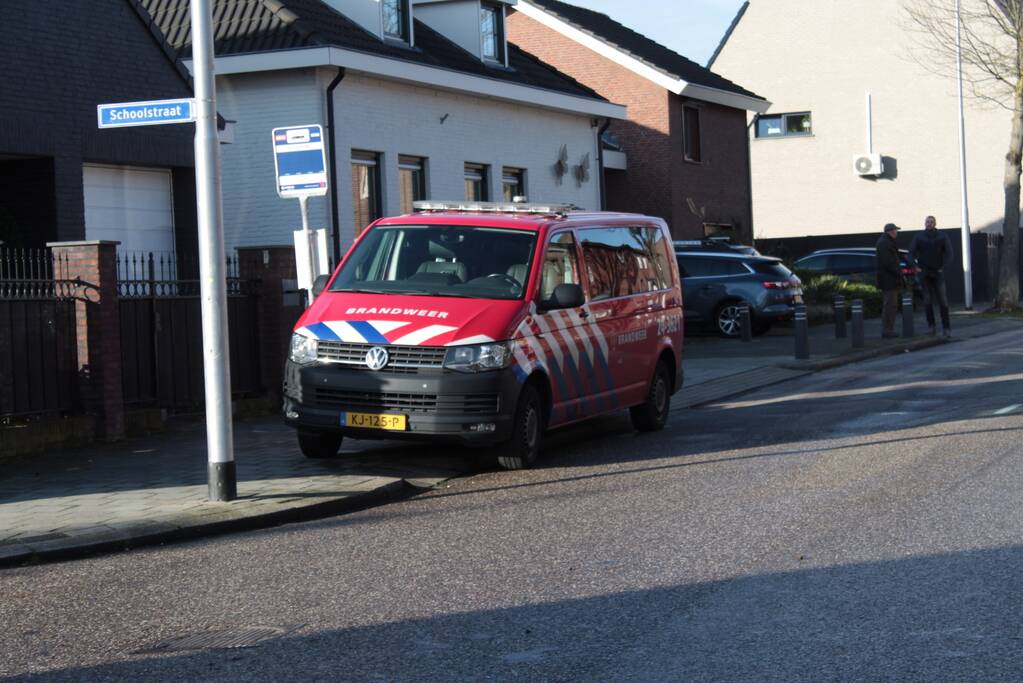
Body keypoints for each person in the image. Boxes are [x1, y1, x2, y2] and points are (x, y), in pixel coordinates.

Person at [909, 215, 953, 337]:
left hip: (937, 272)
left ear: (935, 223)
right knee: (927, 301)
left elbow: (949, 254)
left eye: (931, 221)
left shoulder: (942, 236)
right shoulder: (919, 237)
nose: (929, 223)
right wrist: (915, 267)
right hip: (924, 272)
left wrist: (943, 267)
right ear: (924, 223)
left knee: (943, 301)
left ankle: (946, 328)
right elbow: (910, 253)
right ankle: (931, 327)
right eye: (927, 221)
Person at [875, 222, 902, 338]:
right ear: (890, 231)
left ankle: (889, 329)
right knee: (890, 305)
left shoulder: (886, 242)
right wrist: (898, 273)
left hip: (889, 279)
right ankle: (887, 330)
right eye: (895, 230)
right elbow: (888, 263)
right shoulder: (885, 243)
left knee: (891, 305)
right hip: (889, 280)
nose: (896, 232)